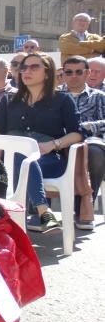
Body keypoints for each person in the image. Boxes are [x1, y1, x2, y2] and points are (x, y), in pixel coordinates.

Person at [0, 53, 82, 232]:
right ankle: (43, 212)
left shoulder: (62, 100)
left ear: (47, 74)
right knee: (18, 156)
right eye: (23, 67)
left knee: (21, 158)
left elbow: (77, 134)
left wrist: (53, 145)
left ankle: (6, 221)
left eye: (34, 67)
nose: (26, 71)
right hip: (11, 154)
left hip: (47, 156)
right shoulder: (8, 100)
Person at [61, 55, 105, 230]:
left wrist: (87, 127)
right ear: (63, 74)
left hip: (91, 142)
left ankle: (84, 208)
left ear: (87, 73)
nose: (74, 76)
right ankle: (41, 210)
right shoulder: (55, 96)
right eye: (69, 72)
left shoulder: (99, 97)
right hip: (61, 142)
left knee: (93, 151)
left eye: (79, 72)